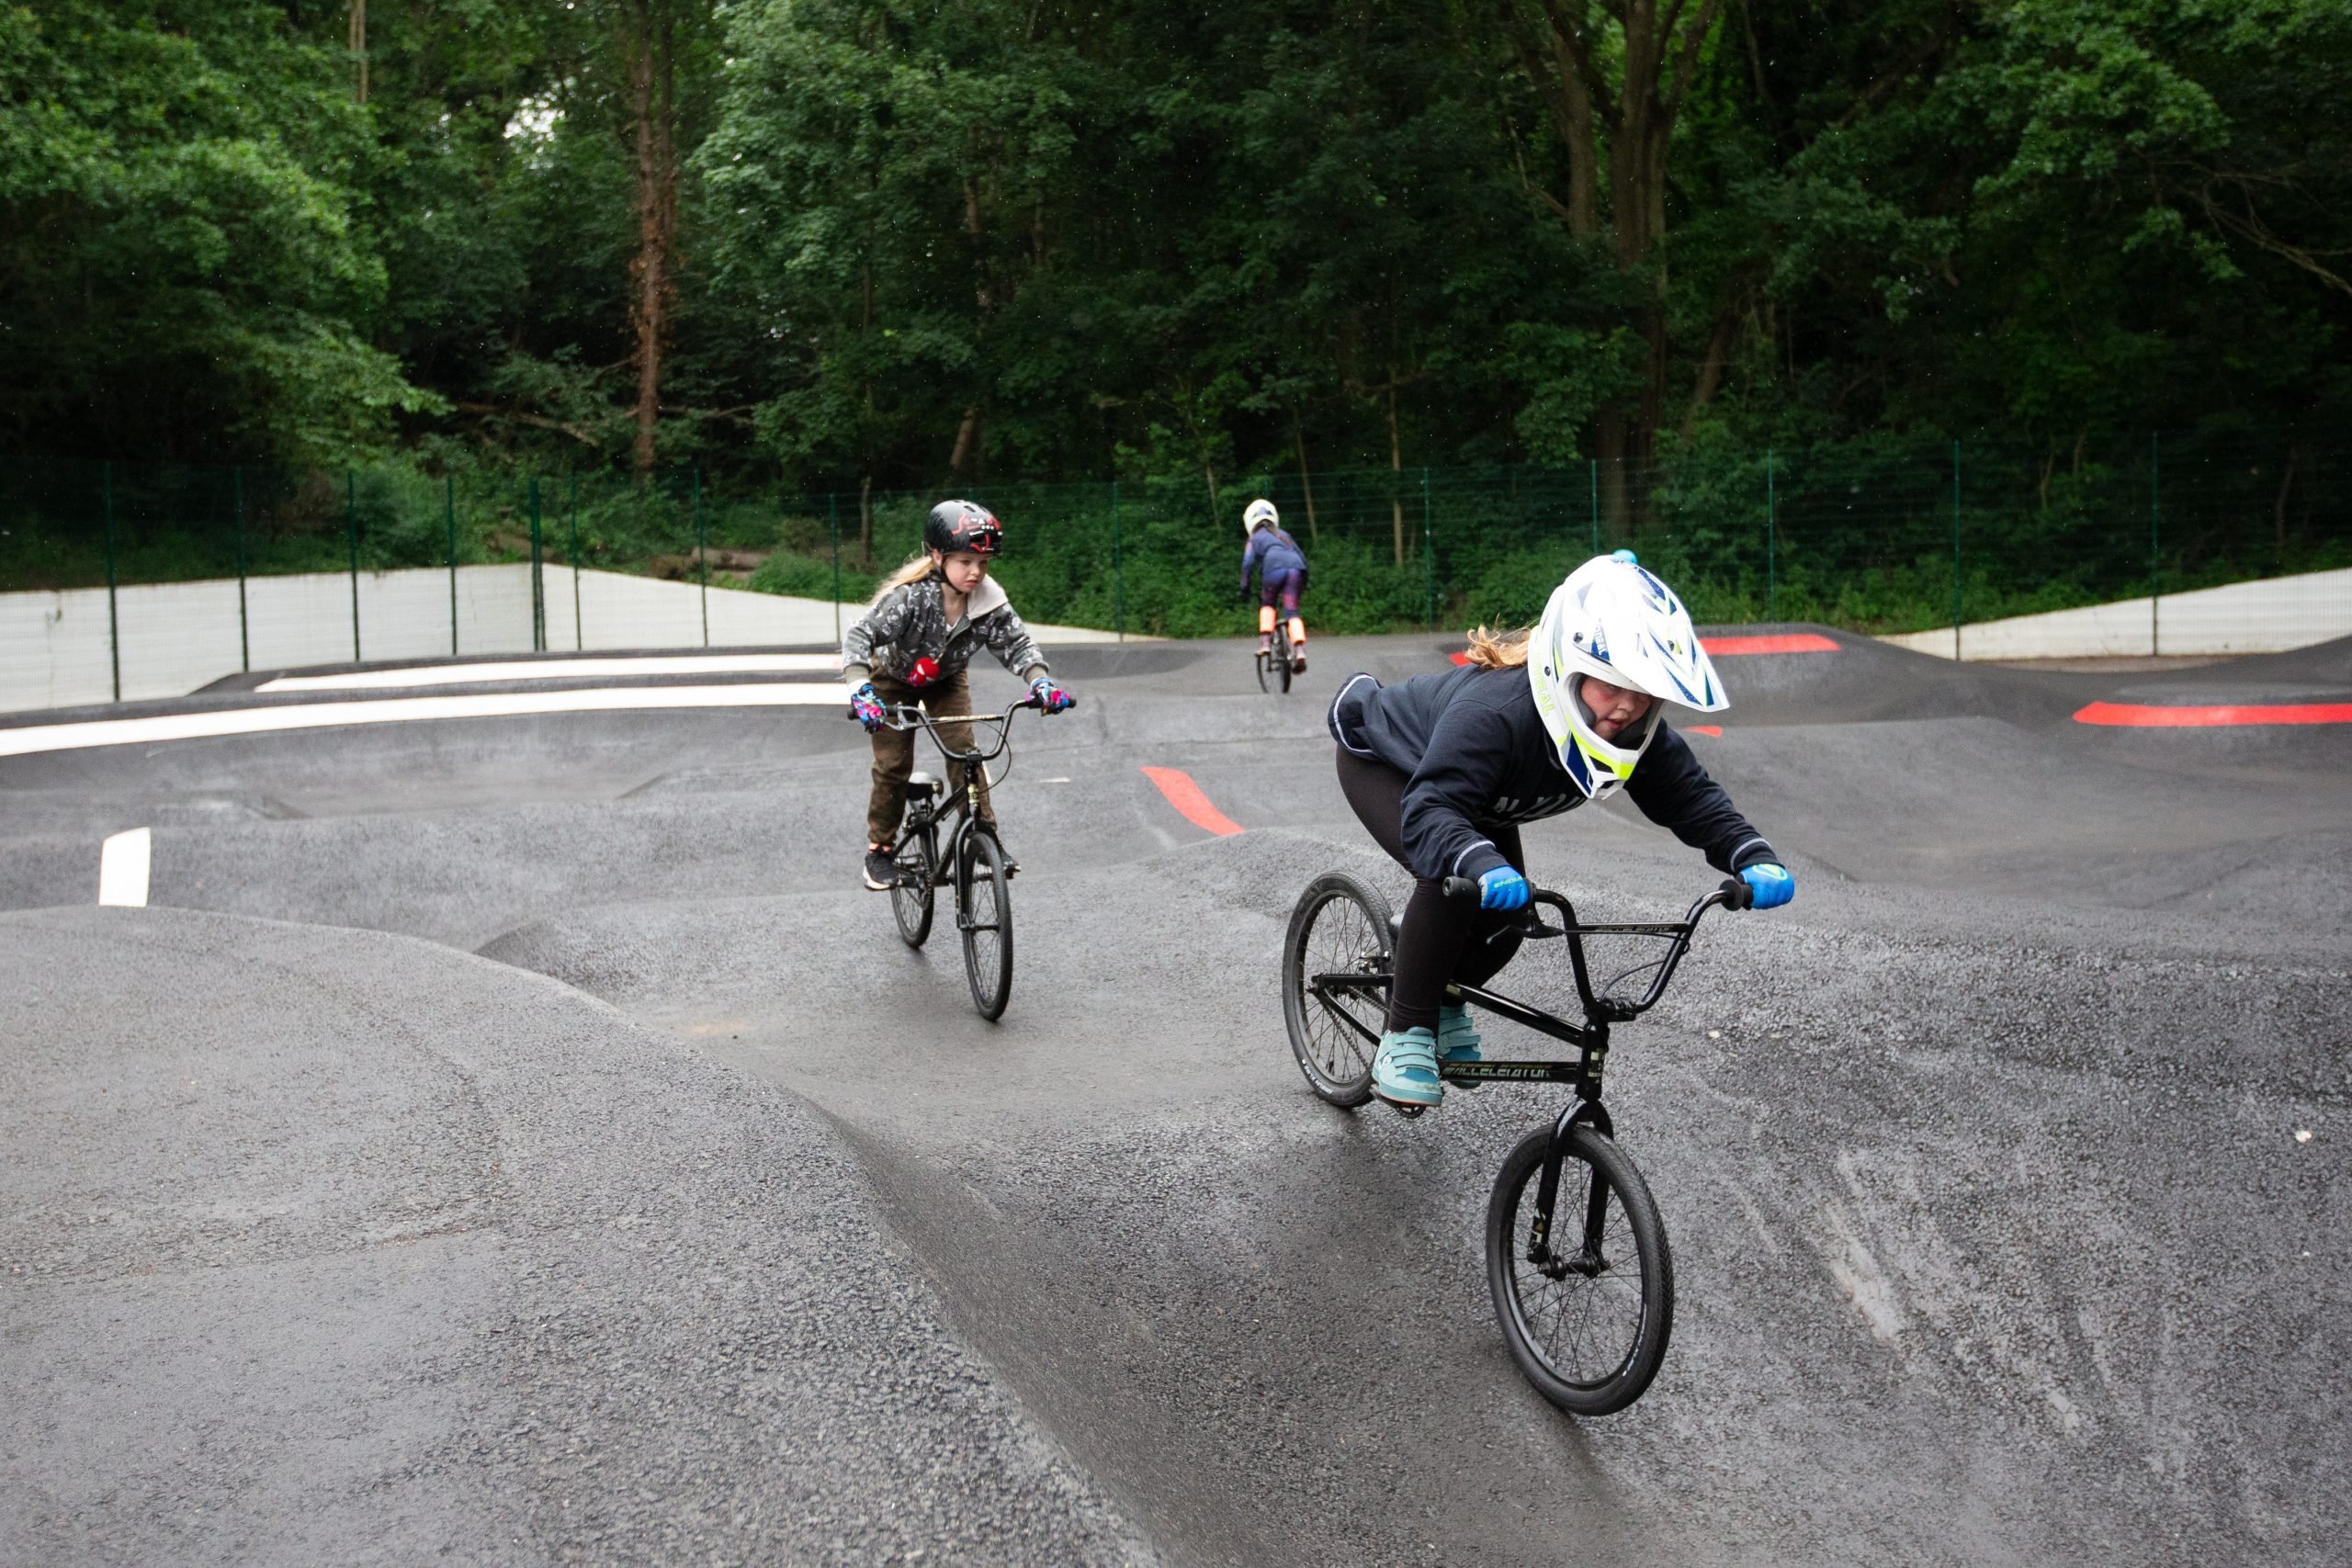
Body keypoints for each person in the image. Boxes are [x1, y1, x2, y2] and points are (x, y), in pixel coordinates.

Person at [1326, 550, 1794, 1110]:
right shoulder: (1496, 715)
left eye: (1643, 690)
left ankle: (1444, 992)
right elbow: (1433, 809)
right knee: (1453, 886)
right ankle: (1406, 1032)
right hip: (1390, 766)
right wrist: (1475, 860)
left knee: (1510, 920)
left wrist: (1750, 853)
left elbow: (1691, 800)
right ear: (1565, 668)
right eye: (1610, 685)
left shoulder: (1635, 732)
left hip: (1475, 801)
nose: (1626, 706)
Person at [842, 500, 1075, 891]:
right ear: (938, 556)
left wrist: (1040, 682)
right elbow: (859, 636)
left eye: (983, 563)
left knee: (966, 751)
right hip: (892, 680)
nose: (976, 572)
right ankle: (879, 850)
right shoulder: (911, 599)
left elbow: (1018, 645)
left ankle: (984, 837)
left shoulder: (988, 601)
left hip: (946, 680)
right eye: (966, 561)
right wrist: (860, 690)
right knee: (893, 764)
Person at [1238, 498, 1310, 673]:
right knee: (1292, 612)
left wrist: (1244, 588)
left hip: (1273, 571)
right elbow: (1301, 557)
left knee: (1268, 605)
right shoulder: (1284, 535)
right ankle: (1299, 651)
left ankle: (1265, 643)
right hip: (1295, 570)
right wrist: (1305, 581)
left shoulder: (1254, 538)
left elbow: (1247, 563)